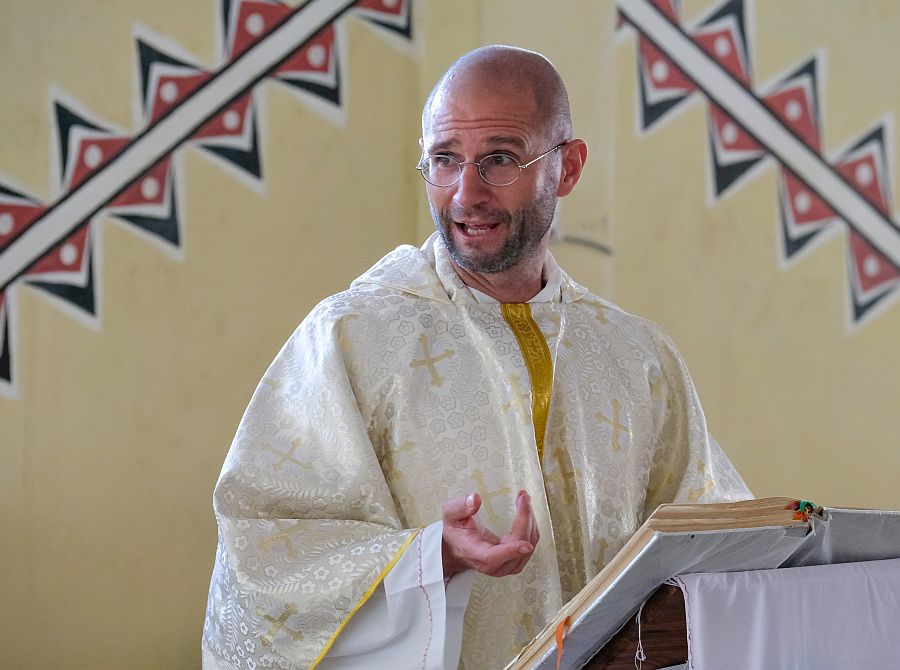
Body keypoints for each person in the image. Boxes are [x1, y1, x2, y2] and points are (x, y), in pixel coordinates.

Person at [202, 45, 750, 670]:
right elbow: (264, 548)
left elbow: (709, 541)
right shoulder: (352, 337)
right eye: (444, 159)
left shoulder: (637, 355)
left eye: (499, 159)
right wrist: (433, 557)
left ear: (568, 168)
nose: (466, 193)